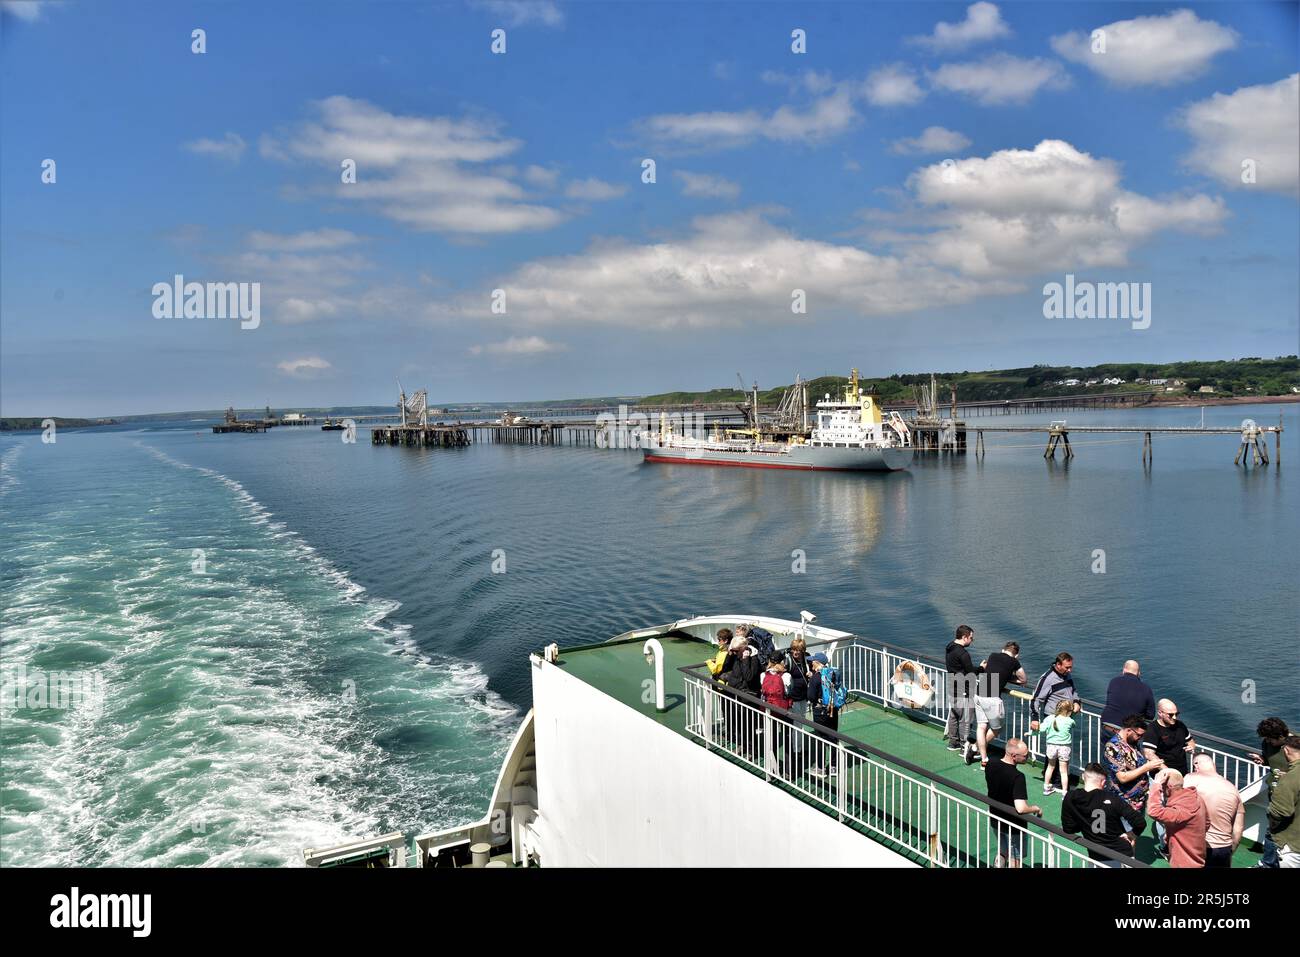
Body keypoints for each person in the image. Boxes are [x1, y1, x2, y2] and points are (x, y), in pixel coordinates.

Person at [1060, 763, 1146, 867]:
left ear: (1083, 776)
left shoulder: (1071, 797)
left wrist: (1084, 823)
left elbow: (1068, 828)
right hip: (1122, 856)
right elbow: (1140, 822)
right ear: (1103, 782)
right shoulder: (1113, 799)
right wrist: (1131, 834)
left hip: (1095, 857)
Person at [967, 640, 1025, 769]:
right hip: (992, 697)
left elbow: (991, 670)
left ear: (1003, 649)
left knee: (981, 727)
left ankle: (984, 759)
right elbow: (1023, 679)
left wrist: (1004, 675)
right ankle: (975, 747)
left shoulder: (993, 655)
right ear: (1016, 655)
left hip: (979, 692)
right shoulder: (1014, 661)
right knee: (997, 729)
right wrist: (1009, 677)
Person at [984, 738, 1042, 868]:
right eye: (1025, 755)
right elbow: (1021, 808)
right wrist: (1036, 809)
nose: (1027, 757)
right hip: (1014, 825)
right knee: (1015, 859)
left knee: (1002, 850)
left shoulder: (991, 764)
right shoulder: (1017, 777)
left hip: (995, 817)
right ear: (1014, 756)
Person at [1184, 753, 1245, 868]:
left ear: (1196, 766)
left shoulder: (1191, 778)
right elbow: (1238, 828)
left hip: (1198, 846)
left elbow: (1177, 808)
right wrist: (1230, 849)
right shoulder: (1233, 789)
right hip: (1224, 849)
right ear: (1213, 765)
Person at [1249, 717, 1292, 867]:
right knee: (1272, 831)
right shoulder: (1267, 743)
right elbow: (1271, 760)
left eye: (1270, 739)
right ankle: (1268, 863)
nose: (1267, 742)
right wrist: (1263, 760)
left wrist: (1290, 776)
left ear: (1281, 736)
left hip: (1292, 796)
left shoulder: (1296, 745)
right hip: (1275, 794)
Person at [1147, 768, 1208, 868]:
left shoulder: (1179, 811)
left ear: (1168, 787)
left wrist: (1156, 786)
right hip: (1198, 854)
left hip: (1184, 863)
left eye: (1162, 788)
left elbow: (1153, 811)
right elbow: (1207, 822)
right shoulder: (1196, 798)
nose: (1161, 791)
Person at [1104, 714, 1164, 813]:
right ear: (1128, 730)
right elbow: (1122, 777)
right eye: (1138, 735)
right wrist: (1147, 767)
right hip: (1123, 801)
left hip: (1138, 800)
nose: (1140, 738)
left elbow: (1138, 765)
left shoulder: (1133, 743)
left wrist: (1152, 766)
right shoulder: (1113, 747)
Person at [1266, 734, 1300, 869]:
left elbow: (1280, 812)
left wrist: (1272, 825)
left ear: (1286, 751)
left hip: (1293, 845)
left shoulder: (1289, 780)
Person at [944, 624, 979, 753]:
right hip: (963, 689)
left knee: (953, 715)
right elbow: (970, 672)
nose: (972, 640)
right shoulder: (963, 653)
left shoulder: (949, 647)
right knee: (966, 718)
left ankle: (953, 742)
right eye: (971, 638)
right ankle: (964, 746)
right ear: (964, 637)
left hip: (952, 685)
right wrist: (981, 668)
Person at [807, 653, 842, 780]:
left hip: (820, 711)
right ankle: (834, 767)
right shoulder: (833, 673)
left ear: (817, 663)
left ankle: (821, 768)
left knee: (820, 738)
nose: (811, 664)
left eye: (812, 662)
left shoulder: (816, 677)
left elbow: (811, 697)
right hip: (833, 709)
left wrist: (811, 682)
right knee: (833, 736)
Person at [1141, 698, 1196, 775]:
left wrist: (1191, 747)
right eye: (1170, 715)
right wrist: (1167, 771)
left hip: (1182, 770)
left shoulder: (1180, 725)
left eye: (1176, 714)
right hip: (1162, 773)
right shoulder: (1152, 729)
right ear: (1160, 713)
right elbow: (1149, 754)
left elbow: (1190, 741)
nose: (1174, 717)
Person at [1100, 660, 1156, 734]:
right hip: (1127, 729)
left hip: (1107, 724)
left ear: (1124, 670)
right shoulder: (1146, 689)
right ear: (1138, 673)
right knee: (1130, 744)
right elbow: (1150, 715)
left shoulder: (1114, 681)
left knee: (1106, 745)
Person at [1029, 652, 1081, 732]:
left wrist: (1076, 702)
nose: (1069, 670)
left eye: (1071, 667)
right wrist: (1035, 718)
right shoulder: (1048, 678)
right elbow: (1036, 699)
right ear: (1058, 665)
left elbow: (1073, 691)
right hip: (1053, 718)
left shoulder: (1067, 675)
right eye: (1067, 667)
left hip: (1066, 717)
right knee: (1054, 742)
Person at [1039, 699, 1076, 796]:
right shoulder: (1070, 721)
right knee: (1063, 771)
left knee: (1050, 767)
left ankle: (1046, 788)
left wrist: (1031, 732)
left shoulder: (1050, 718)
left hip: (1051, 746)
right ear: (1069, 711)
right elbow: (1073, 724)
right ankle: (1064, 793)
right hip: (1064, 748)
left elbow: (1041, 728)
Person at [784, 636, 813, 720]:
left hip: (804, 694)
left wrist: (812, 673)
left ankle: (799, 732)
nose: (795, 652)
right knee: (796, 718)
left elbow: (812, 669)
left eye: (798, 650)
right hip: (793, 696)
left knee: (803, 716)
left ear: (803, 651)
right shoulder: (788, 660)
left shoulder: (807, 658)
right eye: (793, 649)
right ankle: (796, 733)